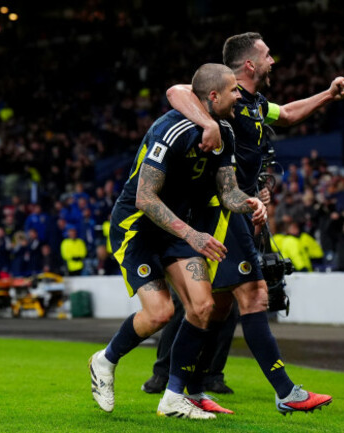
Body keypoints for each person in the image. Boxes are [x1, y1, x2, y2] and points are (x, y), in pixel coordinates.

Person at [162, 32, 344, 415]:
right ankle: (286, 392)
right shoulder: (223, 98)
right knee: (256, 295)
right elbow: (176, 91)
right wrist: (207, 125)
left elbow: (290, 113)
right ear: (249, 64)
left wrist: (327, 94)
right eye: (267, 55)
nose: (272, 60)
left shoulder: (259, 105)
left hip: (238, 209)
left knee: (217, 307)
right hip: (221, 211)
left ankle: (189, 388)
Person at [87, 63, 266, 420]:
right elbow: (145, 198)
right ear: (213, 96)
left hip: (179, 228)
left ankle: (172, 397)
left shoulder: (226, 132)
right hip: (139, 228)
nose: (239, 95)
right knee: (161, 313)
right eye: (233, 90)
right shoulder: (169, 130)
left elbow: (228, 191)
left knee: (203, 307)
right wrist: (193, 234)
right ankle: (104, 360)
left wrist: (250, 202)